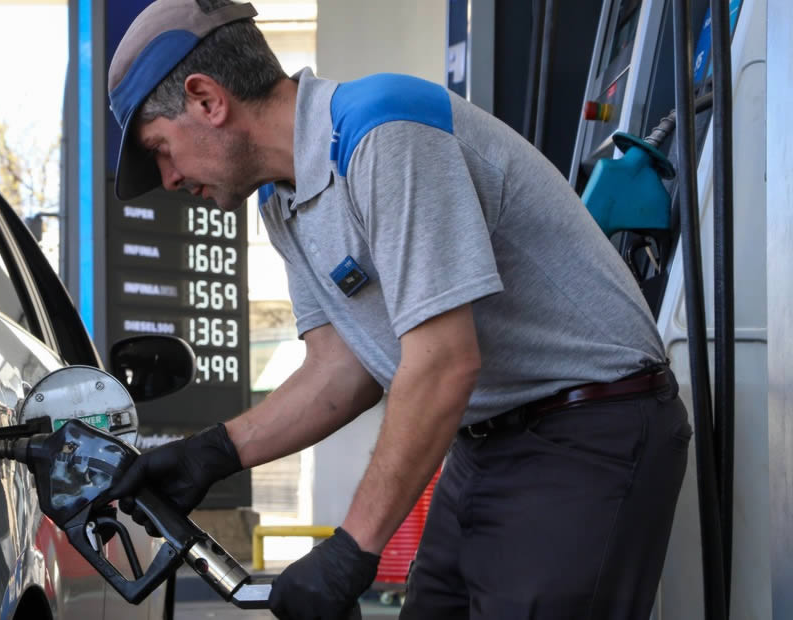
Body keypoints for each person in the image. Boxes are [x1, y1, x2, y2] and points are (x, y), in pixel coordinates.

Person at [103, 1, 692, 618]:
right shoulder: (283, 200)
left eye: (161, 148)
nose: (168, 179)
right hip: (484, 442)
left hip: (586, 431)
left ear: (206, 100)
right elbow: (342, 370)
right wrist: (211, 453)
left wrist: (351, 550)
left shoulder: (383, 132)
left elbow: (444, 363)